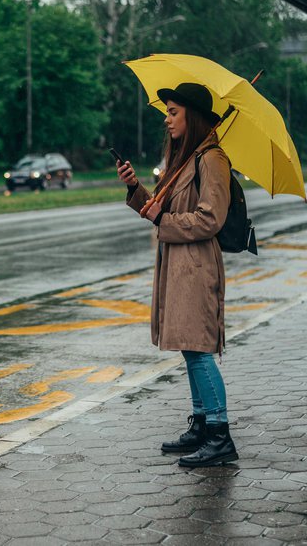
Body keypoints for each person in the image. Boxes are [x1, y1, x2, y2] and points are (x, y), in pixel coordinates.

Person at [115, 82, 238, 467]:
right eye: (166, 112)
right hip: (178, 265)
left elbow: (210, 218)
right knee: (190, 348)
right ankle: (202, 423)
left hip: (197, 265)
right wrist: (135, 188)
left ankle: (220, 434)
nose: (166, 119)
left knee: (200, 351)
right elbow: (157, 205)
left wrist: (163, 220)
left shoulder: (212, 159)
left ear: (193, 117)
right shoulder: (184, 159)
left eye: (173, 112)